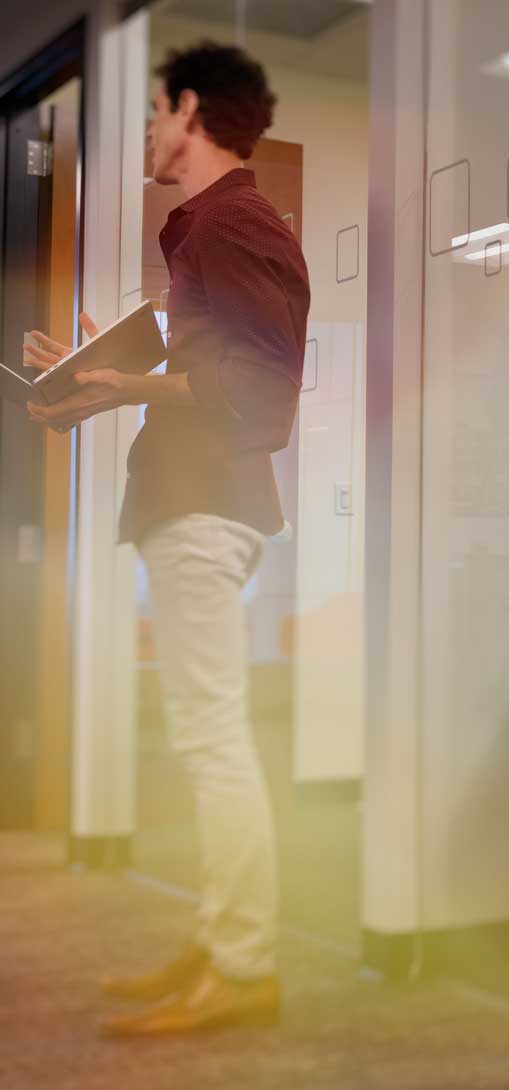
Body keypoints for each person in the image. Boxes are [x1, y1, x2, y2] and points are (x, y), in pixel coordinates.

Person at [28, 42, 308, 1034]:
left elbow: (261, 396)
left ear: (190, 110)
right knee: (208, 738)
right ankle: (220, 939)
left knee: (212, 738)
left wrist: (125, 384)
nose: (150, 129)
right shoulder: (212, 230)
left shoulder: (230, 224)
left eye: (156, 110)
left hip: (204, 506)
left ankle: (242, 965)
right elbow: (210, 380)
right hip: (193, 498)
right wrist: (97, 381)